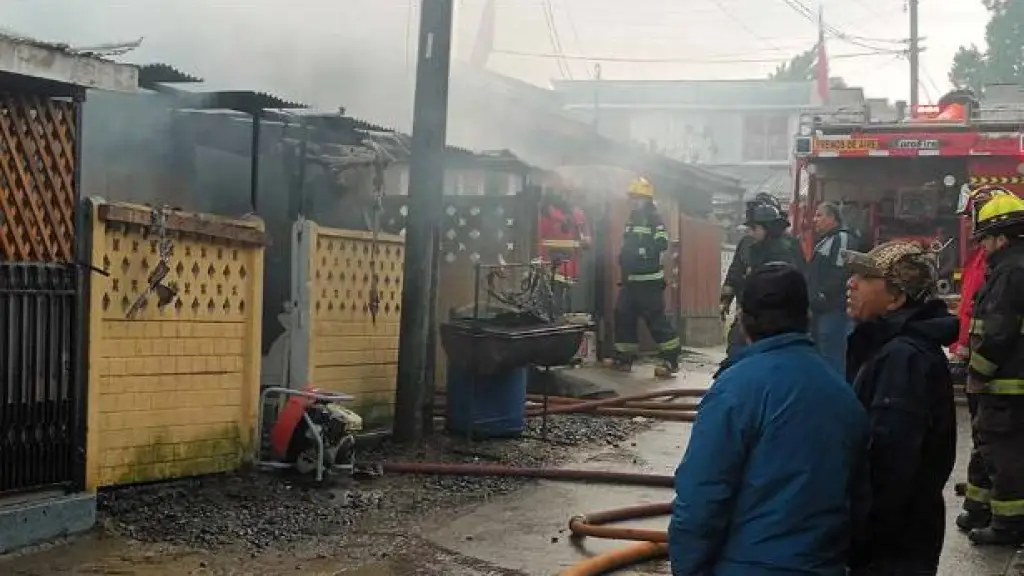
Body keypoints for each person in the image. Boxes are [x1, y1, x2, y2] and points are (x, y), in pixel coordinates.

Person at [669, 263, 868, 576]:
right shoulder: (842, 393)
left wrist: (689, 569)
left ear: (743, 322)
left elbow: (701, 498)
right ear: (807, 319)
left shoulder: (735, 390)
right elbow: (859, 500)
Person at [842, 241, 958, 574]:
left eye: (865, 278)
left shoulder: (902, 359)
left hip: (892, 547)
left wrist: (861, 538)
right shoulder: (890, 348)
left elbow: (891, 467)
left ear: (896, 298)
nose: (851, 284)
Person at [962, 191, 1024, 546]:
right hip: (1014, 378)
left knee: (1004, 451)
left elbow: (998, 331)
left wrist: (977, 373)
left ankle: (1007, 526)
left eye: (984, 238)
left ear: (1002, 237)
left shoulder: (1009, 272)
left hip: (1007, 383)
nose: (983, 247)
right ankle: (985, 511)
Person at [950, 185, 1004, 528]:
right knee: (982, 429)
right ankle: (978, 493)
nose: (969, 224)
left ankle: (989, 504)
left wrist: (973, 358)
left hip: (987, 357)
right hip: (975, 347)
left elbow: (991, 316)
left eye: (972, 216)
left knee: (990, 431)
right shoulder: (982, 256)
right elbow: (971, 306)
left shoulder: (996, 262)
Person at [718, 194, 806, 375]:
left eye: (754, 227)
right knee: (737, 347)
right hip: (749, 310)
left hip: (775, 316)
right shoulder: (748, 244)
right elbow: (735, 272)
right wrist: (726, 299)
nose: (750, 232)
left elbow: (800, 279)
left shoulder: (788, 247)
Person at [607, 176, 681, 378]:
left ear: (646, 199)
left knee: (656, 321)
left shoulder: (654, 218)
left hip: (649, 282)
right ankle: (624, 359)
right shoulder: (633, 218)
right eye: (632, 197)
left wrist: (640, 252)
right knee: (623, 315)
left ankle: (670, 360)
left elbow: (662, 242)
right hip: (631, 281)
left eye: (636, 197)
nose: (633, 201)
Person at [808, 202, 854, 372]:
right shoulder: (825, 241)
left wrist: (823, 295)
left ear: (832, 218)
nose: (815, 220)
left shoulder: (841, 238)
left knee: (833, 356)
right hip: (822, 310)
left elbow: (841, 271)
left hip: (834, 309)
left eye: (820, 215)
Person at [538, 188, 590, 316]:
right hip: (555, 267)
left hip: (563, 268)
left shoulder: (577, 215)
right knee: (556, 305)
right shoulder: (547, 214)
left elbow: (587, 241)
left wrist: (584, 240)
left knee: (557, 306)